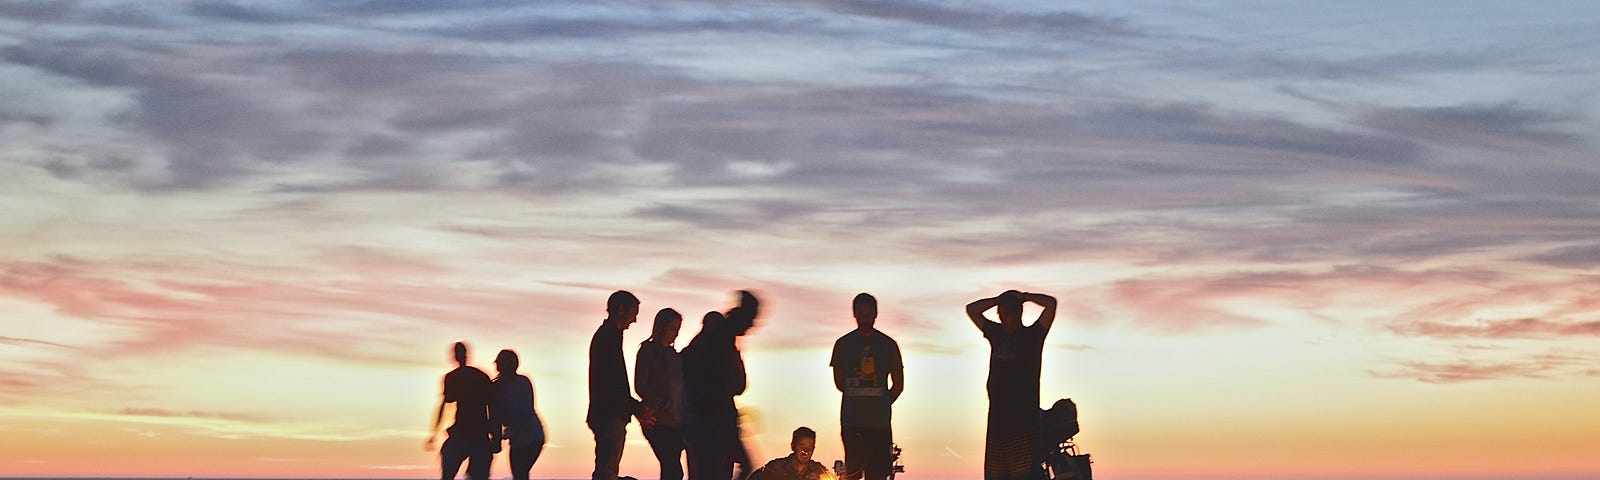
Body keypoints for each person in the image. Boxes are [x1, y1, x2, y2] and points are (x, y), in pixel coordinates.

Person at [966, 290, 1058, 480]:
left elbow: (1051, 304)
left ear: (1018, 313)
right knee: (995, 473)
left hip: (1023, 418)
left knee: (1023, 473)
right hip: (998, 417)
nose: (1002, 318)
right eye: (1000, 314)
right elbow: (972, 310)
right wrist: (996, 300)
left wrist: (1025, 297)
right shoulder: (996, 333)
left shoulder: (1033, 335)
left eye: (1006, 314)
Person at [682, 290, 761, 480]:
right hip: (712, 421)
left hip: (712, 420)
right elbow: (737, 385)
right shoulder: (720, 339)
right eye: (751, 320)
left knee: (718, 469)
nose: (752, 326)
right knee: (714, 470)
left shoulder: (716, 340)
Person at [829, 293, 904, 480]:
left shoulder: (888, 345)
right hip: (851, 422)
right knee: (852, 472)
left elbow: (898, 385)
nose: (864, 319)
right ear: (854, 314)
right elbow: (839, 382)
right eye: (860, 314)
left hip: (879, 425)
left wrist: (882, 402)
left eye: (868, 314)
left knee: (877, 474)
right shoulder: (843, 344)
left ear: (876, 314)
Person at [589, 290, 655, 480]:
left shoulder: (610, 336)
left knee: (608, 469)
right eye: (634, 314)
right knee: (606, 471)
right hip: (609, 415)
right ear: (621, 310)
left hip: (609, 413)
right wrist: (636, 407)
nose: (634, 320)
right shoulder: (607, 338)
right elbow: (613, 381)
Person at [427, 341, 496, 480]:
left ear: (455, 356)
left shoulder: (453, 377)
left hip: (469, 433)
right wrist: (496, 435)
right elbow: (493, 407)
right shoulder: (481, 376)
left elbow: (445, 404)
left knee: (450, 472)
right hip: (476, 433)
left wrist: (434, 432)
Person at [638, 308, 688, 480]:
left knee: (673, 470)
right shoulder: (648, 351)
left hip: (677, 421)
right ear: (660, 327)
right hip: (657, 421)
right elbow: (640, 385)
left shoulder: (675, 356)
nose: (675, 334)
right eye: (672, 329)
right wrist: (661, 403)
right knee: (672, 469)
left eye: (678, 330)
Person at [492, 349, 547, 480]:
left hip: (532, 436)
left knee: (520, 472)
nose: (496, 365)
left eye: (499, 362)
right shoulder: (496, 387)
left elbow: (525, 411)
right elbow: (496, 416)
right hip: (517, 439)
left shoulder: (522, 382)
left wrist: (503, 435)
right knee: (520, 473)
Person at [749, 427, 832, 480]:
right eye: (801, 446)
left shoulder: (819, 470)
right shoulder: (776, 468)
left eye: (810, 448)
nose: (806, 451)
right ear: (793, 446)